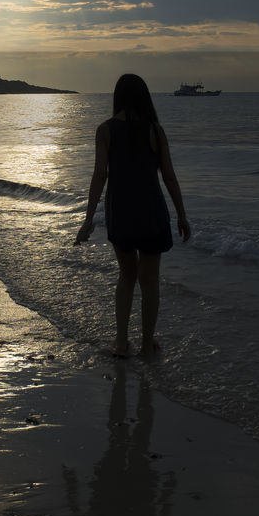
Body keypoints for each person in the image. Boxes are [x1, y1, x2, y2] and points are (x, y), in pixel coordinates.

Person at [76, 74, 190, 358]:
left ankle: (121, 343)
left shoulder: (105, 130)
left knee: (127, 277)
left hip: (122, 213)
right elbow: (170, 177)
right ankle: (146, 343)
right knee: (150, 280)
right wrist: (181, 215)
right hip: (152, 211)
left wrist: (88, 218)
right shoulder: (155, 130)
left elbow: (100, 174)